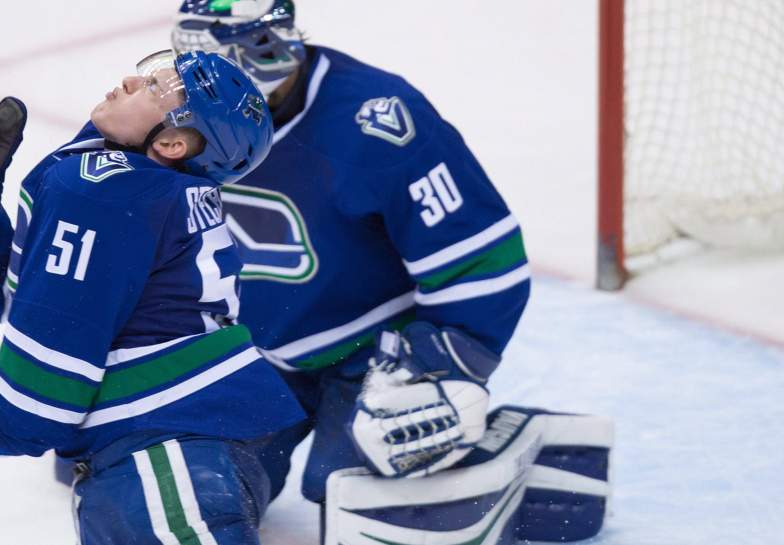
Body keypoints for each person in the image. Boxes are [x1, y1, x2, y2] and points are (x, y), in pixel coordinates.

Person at [170, 2, 610, 543]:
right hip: (248, 350)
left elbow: (479, 258)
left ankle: (503, 447)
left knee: (358, 494)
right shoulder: (167, 114)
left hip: (376, 353)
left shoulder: (377, 119)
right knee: (196, 493)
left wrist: (441, 366)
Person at [0, 49, 305, 545]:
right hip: (192, 443)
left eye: (156, 89)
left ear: (174, 143)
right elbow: (11, 301)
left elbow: (48, 381)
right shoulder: (149, 192)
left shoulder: (107, 193)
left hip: (166, 456)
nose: (129, 82)